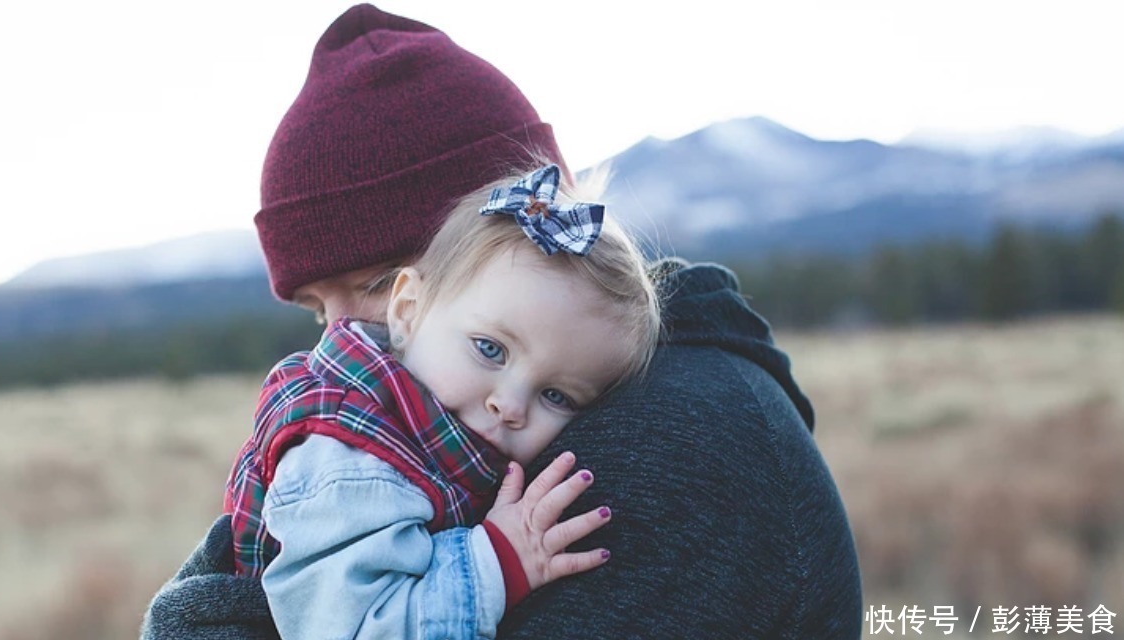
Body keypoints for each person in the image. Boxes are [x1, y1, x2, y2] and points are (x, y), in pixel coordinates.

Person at [141, 4, 862, 639]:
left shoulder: (665, 448)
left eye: (372, 284)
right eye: (314, 307)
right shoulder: (436, 431)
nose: (338, 336)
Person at [224, 163, 660, 639]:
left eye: (556, 395)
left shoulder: (430, 433)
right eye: (490, 349)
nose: (511, 405)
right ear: (408, 310)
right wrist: (497, 561)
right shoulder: (349, 461)